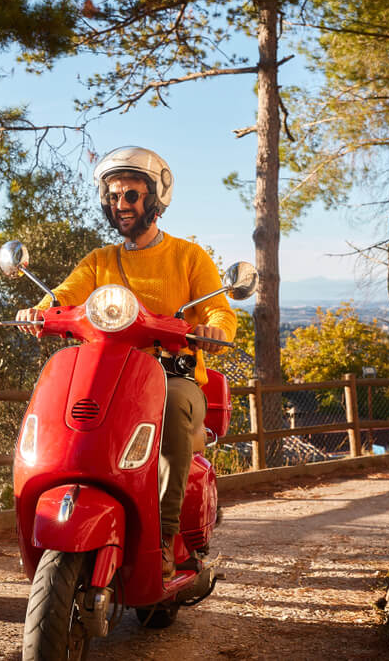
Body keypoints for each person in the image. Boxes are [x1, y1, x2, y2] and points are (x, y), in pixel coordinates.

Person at [16, 146, 237, 580]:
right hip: (111, 377)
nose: (121, 205)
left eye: (131, 196)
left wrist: (214, 331)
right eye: (114, 196)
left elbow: (221, 312)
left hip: (171, 376)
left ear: (155, 200)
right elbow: (64, 293)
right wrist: (38, 311)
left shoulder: (188, 256)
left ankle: (163, 539)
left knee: (171, 413)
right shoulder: (100, 261)